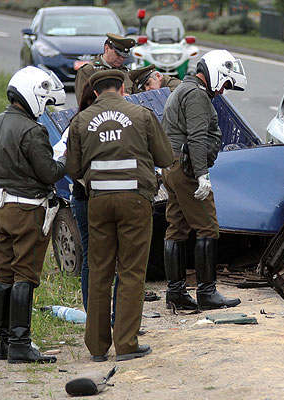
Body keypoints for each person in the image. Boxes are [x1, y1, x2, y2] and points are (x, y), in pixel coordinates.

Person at [66, 70, 174, 362]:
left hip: (98, 202)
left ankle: (97, 347)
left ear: (96, 92)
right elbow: (166, 158)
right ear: (123, 89)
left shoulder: (81, 120)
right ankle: (126, 344)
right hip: (135, 202)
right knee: (130, 271)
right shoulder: (141, 115)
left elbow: (73, 170)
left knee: (99, 270)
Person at [0, 66, 67, 364]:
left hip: (1, 208)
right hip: (28, 209)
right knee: (25, 273)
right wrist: (64, 153)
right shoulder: (32, 130)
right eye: (44, 101)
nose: (45, 109)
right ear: (32, 94)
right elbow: (50, 172)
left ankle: (1, 343)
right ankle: (20, 344)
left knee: (3, 271)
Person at [160, 49, 246, 311]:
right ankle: (207, 293)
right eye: (226, 83)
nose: (223, 90)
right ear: (217, 71)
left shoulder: (183, 89)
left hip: (172, 166)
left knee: (176, 227)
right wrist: (201, 175)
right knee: (208, 227)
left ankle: (175, 293)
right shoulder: (197, 95)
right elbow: (197, 137)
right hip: (186, 168)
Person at [69, 84, 119, 320]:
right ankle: (104, 316)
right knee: (100, 257)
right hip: (89, 198)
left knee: (96, 257)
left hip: (91, 197)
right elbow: (71, 165)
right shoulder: (82, 123)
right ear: (93, 99)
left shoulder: (81, 122)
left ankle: (98, 317)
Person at [74, 33, 136, 104]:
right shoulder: (89, 71)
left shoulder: (128, 73)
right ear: (106, 48)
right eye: (118, 54)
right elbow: (83, 103)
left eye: (124, 56)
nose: (121, 59)